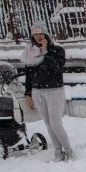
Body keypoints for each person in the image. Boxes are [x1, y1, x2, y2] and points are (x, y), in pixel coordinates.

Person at [21, 21, 74, 162]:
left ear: (46, 35)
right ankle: (58, 152)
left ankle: (69, 151)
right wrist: (27, 94)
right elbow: (28, 75)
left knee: (56, 122)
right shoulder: (29, 52)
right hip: (38, 92)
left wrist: (45, 52)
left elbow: (57, 68)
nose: (38, 37)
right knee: (48, 123)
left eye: (40, 34)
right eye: (35, 34)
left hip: (54, 90)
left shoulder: (57, 50)